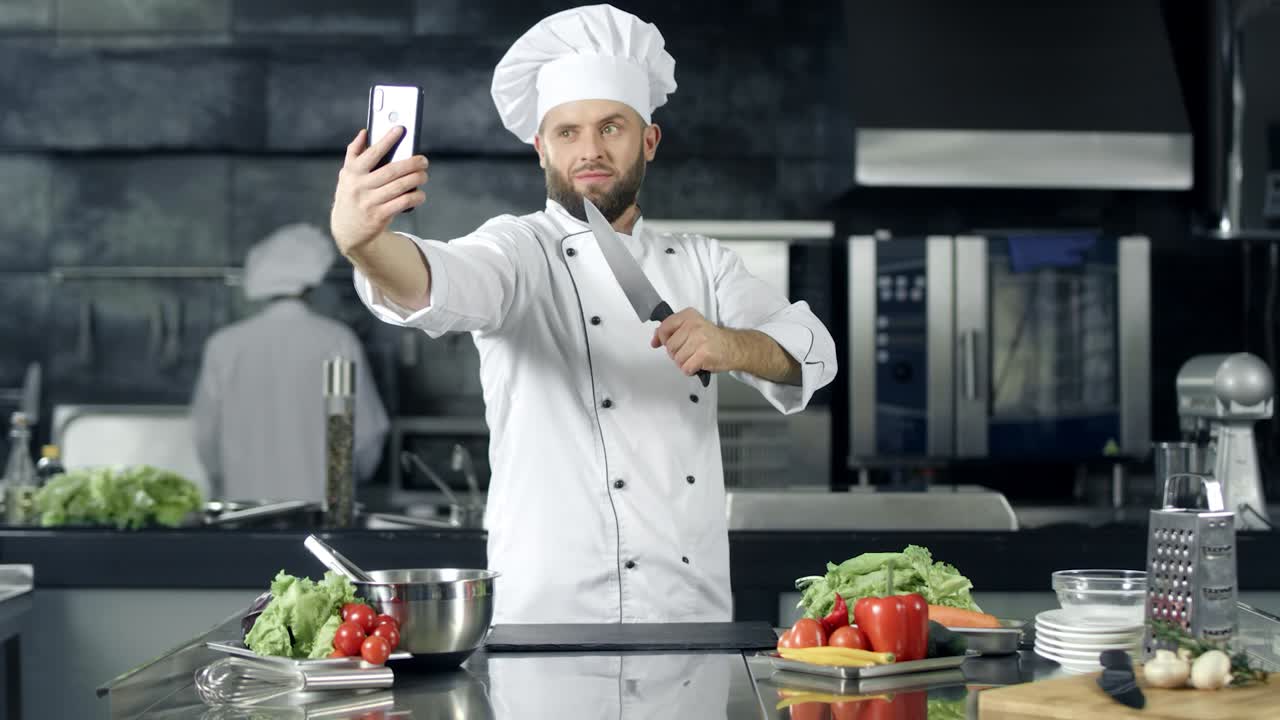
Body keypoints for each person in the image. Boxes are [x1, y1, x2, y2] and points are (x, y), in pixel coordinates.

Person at [330, 4, 836, 623]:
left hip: (684, 611)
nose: (589, 150)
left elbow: (812, 350)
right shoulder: (517, 250)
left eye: (611, 127)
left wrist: (732, 346)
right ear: (541, 148)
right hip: (548, 611)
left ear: (649, 139)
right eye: (567, 132)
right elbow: (434, 281)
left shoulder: (704, 264)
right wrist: (365, 243)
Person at [191, 223, 389, 502]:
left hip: (243, 511)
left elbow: (205, 436)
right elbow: (366, 433)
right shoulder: (336, 340)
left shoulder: (223, 345)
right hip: (320, 512)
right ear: (312, 286)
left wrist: (224, 481)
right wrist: (353, 481)